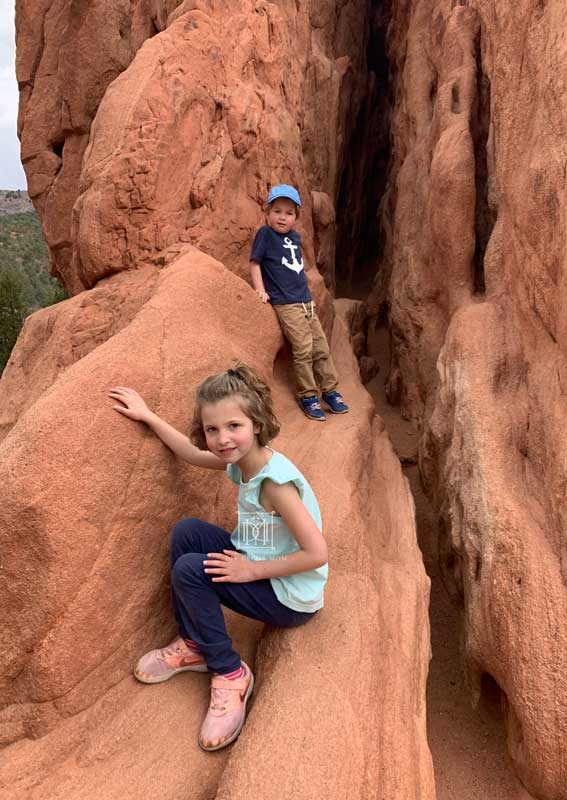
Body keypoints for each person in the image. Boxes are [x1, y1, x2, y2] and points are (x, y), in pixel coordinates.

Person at [108, 363, 328, 751]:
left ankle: (229, 672)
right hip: (260, 563)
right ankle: (194, 644)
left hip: (290, 595)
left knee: (191, 571)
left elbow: (316, 553)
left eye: (233, 426)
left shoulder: (275, 484)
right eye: (213, 429)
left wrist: (250, 570)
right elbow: (192, 454)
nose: (223, 438)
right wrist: (147, 415)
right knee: (187, 531)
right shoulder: (242, 463)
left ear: (256, 424)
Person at [249, 183, 350, 422]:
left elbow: (298, 271)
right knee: (303, 349)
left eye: (289, 213)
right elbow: (255, 264)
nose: (282, 217)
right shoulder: (265, 235)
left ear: (296, 217)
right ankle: (308, 396)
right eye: (277, 211)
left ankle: (330, 391)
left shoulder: (295, 238)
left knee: (321, 348)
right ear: (267, 213)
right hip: (286, 303)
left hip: (305, 302)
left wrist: (310, 298)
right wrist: (260, 290)